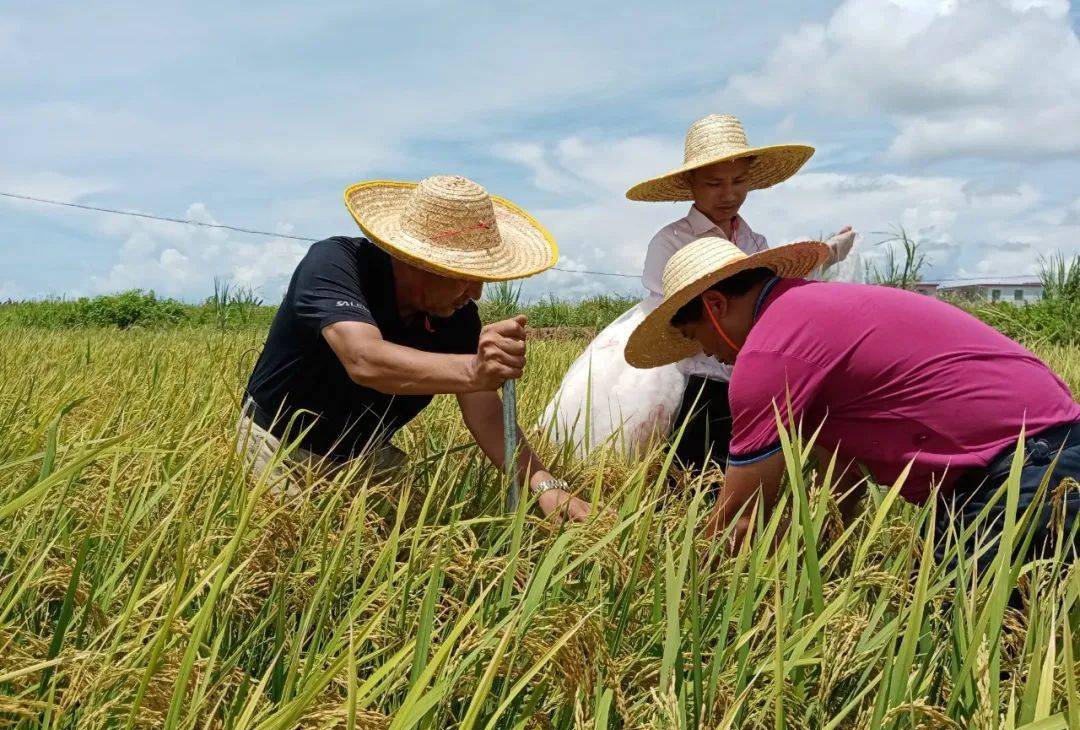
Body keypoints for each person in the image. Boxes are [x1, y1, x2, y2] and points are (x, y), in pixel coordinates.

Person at [624, 237, 1080, 559]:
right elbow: (845, 481)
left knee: (966, 654)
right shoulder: (811, 313)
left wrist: (684, 592)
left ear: (715, 306)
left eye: (694, 335)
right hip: (1051, 447)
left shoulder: (768, 352)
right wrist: (821, 563)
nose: (705, 351)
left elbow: (739, 522)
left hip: (1027, 475)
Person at [239, 174, 592, 521]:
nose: (476, 293)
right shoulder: (336, 265)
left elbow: (485, 412)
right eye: (464, 276)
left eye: (481, 277)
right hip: (277, 445)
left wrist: (545, 484)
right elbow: (365, 360)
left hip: (364, 456)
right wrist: (475, 370)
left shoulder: (458, 319)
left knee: (409, 547)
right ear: (417, 261)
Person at [538, 114, 854, 466]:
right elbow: (674, 312)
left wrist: (826, 254)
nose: (729, 193)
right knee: (683, 459)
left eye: (738, 181)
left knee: (736, 457)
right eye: (714, 183)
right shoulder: (670, 241)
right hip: (689, 367)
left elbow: (766, 297)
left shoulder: (754, 241)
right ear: (691, 184)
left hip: (739, 366)